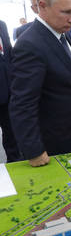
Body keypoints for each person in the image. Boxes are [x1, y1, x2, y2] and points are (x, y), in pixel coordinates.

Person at [9, 0, 71, 167]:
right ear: (42, 6)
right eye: (66, 12)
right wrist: (34, 150)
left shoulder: (63, 35)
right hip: (51, 148)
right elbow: (22, 104)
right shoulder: (30, 45)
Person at [0, 20, 21, 162]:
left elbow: (8, 55)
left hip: (7, 92)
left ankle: (13, 163)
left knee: (11, 134)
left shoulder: (2, 25)